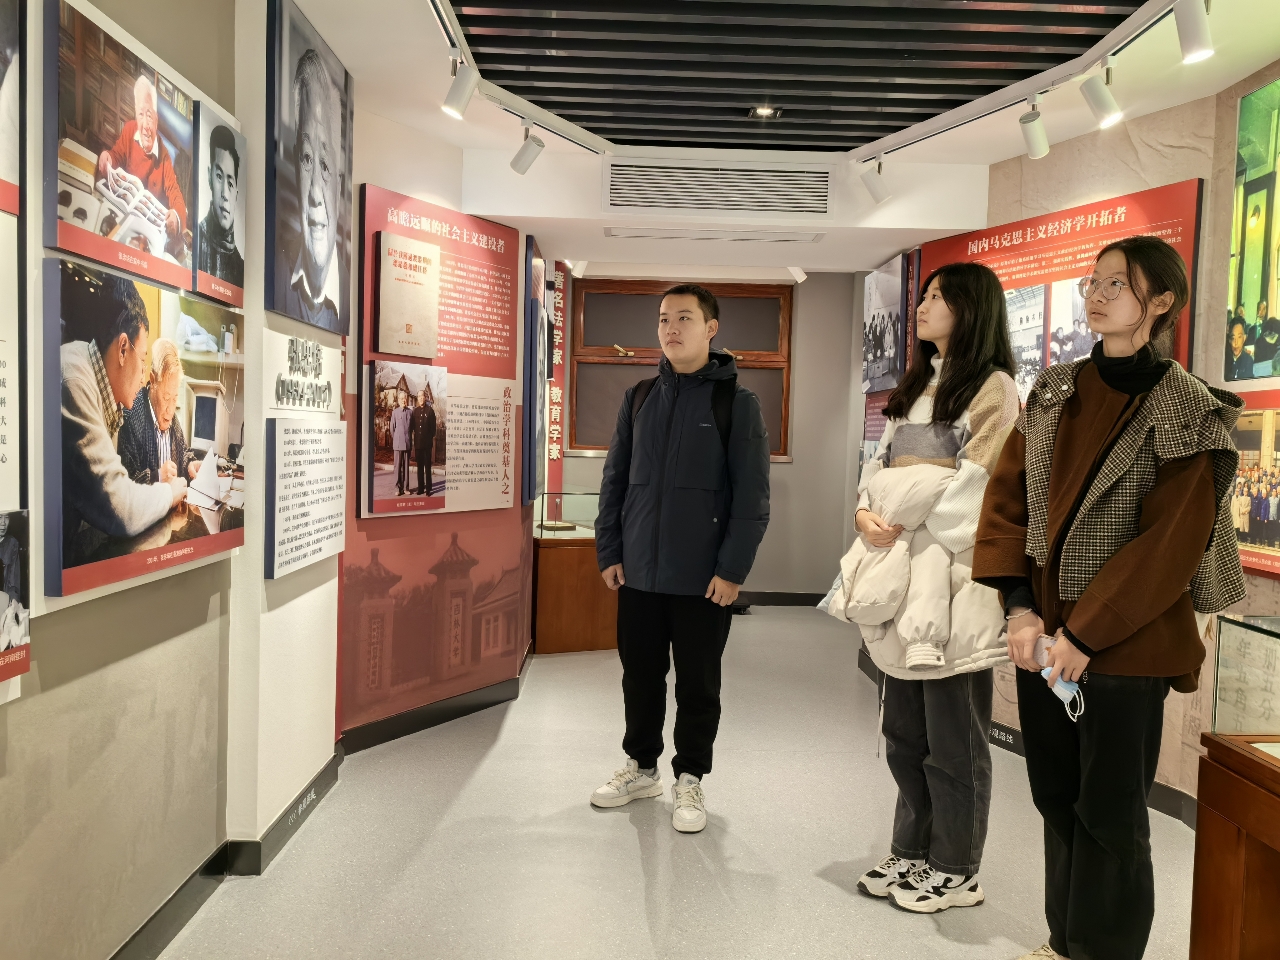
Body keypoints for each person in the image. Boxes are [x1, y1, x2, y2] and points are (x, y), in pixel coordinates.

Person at [974, 235, 1245, 960]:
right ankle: (1065, 943)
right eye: (1092, 282)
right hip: (1046, 634)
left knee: (1110, 812)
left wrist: (1086, 635)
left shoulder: (1187, 408)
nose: (1096, 295)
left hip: (1128, 644)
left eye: (1116, 284)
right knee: (1055, 795)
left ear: (1161, 302)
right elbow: (1007, 501)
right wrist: (1020, 606)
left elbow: (1168, 544)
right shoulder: (1056, 390)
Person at [835, 262, 1019, 914]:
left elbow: (978, 487)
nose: (922, 306)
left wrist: (900, 505)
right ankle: (911, 849)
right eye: (924, 294)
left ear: (972, 309)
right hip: (903, 567)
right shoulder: (914, 386)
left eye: (939, 296)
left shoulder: (995, 389)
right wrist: (866, 511)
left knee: (955, 736)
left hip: (955, 578)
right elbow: (877, 471)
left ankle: (957, 867)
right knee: (904, 730)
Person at [591, 283, 771, 834]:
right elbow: (615, 481)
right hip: (638, 573)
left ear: (711, 329)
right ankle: (642, 768)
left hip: (703, 580)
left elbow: (752, 498)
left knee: (698, 684)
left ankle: (689, 777)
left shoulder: (735, 402)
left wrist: (732, 570)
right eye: (664, 318)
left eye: (685, 318)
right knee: (640, 677)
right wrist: (610, 550)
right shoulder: (639, 397)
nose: (671, 328)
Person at [62, 275, 187, 554]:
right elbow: (121, 506)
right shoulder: (75, 383)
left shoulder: (106, 392)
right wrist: (169, 492)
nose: (142, 374)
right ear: (122, 349)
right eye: (142, 359)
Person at [280, 49, 342, 332]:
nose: (315, 193)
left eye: (325, 165)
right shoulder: (276, 270)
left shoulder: (352, 302)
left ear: (339, 186)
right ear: (295, 166)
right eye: (307, 158)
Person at [97, 76, 187, 249]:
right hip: (122, 215)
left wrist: (176, 216)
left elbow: (175, 192)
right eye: (140, 114)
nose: (145, 125)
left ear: (156, 120)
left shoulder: (164, 155)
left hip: (146, 233)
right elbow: (116, 155)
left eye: (149, 116)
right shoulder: (129, 129)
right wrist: (108, 157)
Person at [119, 338, 200, 487]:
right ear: (153, 380)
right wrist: (157, 477)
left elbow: (182, 453)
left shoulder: (171, 417)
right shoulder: (130, 418)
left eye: (175, 398)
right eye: (166, 398)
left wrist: (190, 465)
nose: (171, 410)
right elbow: (124, 484)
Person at [198, 124, 244, 287]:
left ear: (236, 193)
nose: (225, 193)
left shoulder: (241, 268)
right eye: (219, 176)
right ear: (209, 177)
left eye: (230, 183)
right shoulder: (194, 242)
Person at [410, 387, 437, 496]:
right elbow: (412, 427)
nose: (421, 398)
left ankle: (429, 489)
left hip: (427, 445)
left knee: (427, 466)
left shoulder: (430, 411)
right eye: (419, 396)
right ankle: (421, 488)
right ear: (417, 398)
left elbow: (433, 429)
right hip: (418, 445)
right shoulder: (415, 411)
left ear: (425, 398)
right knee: (420, 467)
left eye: (422, 396)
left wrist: (428, 439)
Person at [390, 388, 411, 497]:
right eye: (402, 398)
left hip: (407, 443)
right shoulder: (394, 412)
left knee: (406, 467)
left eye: (405, 398)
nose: (403, 400)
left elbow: (412, 428)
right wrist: (397, 439)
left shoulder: (410, 412)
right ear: (398, 400)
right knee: (397, 467)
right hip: (398, 444)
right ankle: (398, 488)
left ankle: (406, 488)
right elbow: (392, 429)